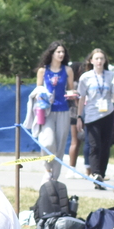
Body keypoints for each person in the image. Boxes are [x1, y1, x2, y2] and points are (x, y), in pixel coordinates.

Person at [33, 41, 75, 180]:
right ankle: (47, 168)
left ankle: (54, 179)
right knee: (48, 142)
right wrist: (42, 94)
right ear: (52, 53)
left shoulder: (67, 70)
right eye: (58, 52)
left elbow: (70, 89)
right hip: (47, 110)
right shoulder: (43, 70)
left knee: (60, 145)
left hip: (63, 110)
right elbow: (38, 89)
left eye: (63, 52)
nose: (61, 54)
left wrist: (73, 94)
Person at [76, 48, 114, 181]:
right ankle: (95, 173)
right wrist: (79, 116)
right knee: (94, 145)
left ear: (105, 61)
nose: (99, 61)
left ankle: (101, 174)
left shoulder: (111, 75)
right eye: (96, 58)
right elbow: (81, 98)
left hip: (108, 114)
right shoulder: (85, 77)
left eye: (101, 58)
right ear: (91, 61)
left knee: (105, 145)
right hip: (92, 115)